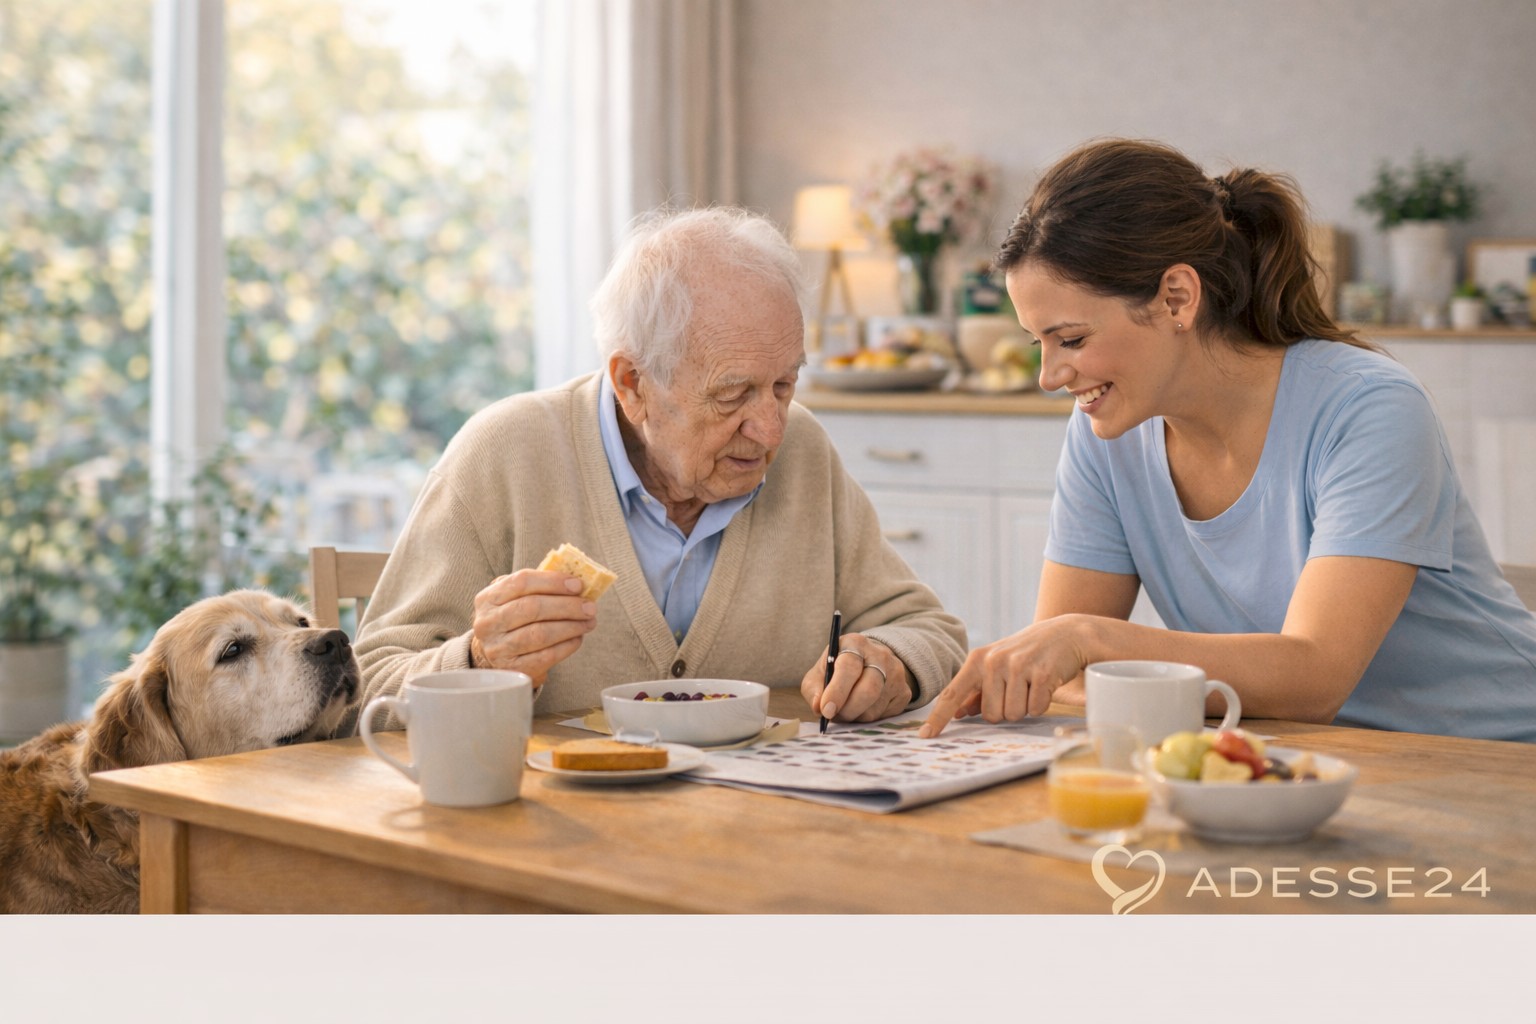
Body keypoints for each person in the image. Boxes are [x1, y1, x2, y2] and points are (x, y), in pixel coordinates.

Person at [921, 138, 1536, 743]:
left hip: (1492, 758)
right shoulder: (1106, 434)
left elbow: (1315, 681)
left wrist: (1090, 639)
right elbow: (1062, 677)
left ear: (1177, 297)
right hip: (1310, 759)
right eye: (1039, 343)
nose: (1050, 376)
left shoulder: (1368, 407)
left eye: (1073, 340)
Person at [355, 206, 966, 727]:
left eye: (784, 385)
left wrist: (889, 662)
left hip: (764, 820)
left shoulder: (802, 451)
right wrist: (479, 665)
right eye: (732, 395)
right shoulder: (505, 452)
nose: (771, 429)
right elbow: (367, 687)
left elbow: (927, 629)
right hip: (558, 823)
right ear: (632, 383)